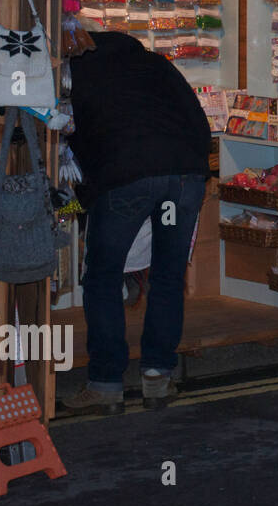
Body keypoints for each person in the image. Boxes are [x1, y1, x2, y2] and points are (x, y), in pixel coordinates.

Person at [62, 32, 212, 413]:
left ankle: (106, 383)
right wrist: (196, 172)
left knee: (102, 277)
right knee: (167, 275)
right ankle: (158, 378)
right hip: (183, 175)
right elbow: (198, 120)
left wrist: (82, 201)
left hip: (127, 177)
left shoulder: (78, 75)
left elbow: (75, 144)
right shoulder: (158, 65)